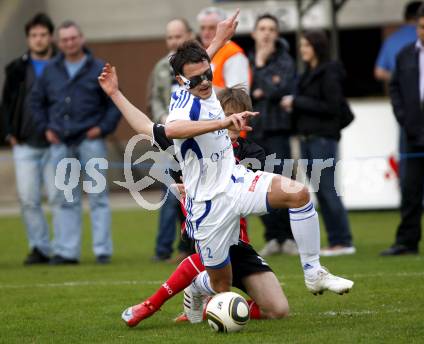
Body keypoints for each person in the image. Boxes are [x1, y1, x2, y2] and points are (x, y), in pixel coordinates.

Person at [99, 9, 353, 325]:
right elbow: (165, 130)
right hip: (208, 206)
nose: (206, 82)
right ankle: (196, 286)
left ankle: (314, 272)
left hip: (235, 179)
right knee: (219, 286)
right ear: (181, 81)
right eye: (198, 78)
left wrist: (220, 37)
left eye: (209, 73)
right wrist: (223, 121)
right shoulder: (182, 107)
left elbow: (201, 62)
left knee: (298, 193)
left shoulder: (195, 76)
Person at [118, 88, 289, 327]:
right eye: (228, 115)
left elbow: (257, 196)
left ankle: (206, 297)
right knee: (212, 251)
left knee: (278, 310)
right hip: (204, 229)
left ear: (246, 120)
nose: (233, 122)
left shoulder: (253, 153)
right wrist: (116, 92)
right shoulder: (191, 141)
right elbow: (146, 127)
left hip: (238, 240)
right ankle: (150, 305)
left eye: (239, 117)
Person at [30, 20, 121, 264]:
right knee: (65, 198)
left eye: (73, 38)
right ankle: (67, 252)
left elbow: (115, 103)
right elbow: (36, 103)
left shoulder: (99, 67)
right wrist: (45, 129)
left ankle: (102, 250)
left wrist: (102, 128)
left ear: (81, 39)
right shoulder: (50, 70)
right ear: (58, 43)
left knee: (98, 197)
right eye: (64, 39)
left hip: (90, 141)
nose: (69, 43)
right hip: (60, 142)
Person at [281, 30, 355, 257]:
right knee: (321, 191)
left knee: (328, 189)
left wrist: (297, 102)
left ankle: (342, 240)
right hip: (306, 139)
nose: (302, 49)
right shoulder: (308, 72)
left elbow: (331, 107)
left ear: (317, 46)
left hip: (322, 139)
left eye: (306, 45)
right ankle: (336, 240)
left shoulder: (329, 71)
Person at [381, 2, 424, 256]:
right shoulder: (405, 54)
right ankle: (407, 241)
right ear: (417, 27)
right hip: (412, 134)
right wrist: (403, 117)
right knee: (410, 190)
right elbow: (394, 89)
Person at [1, 13, 58, 265]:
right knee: (28, 198)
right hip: (24, 144)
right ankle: (39, 248)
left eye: (43, 34)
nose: (38, 39)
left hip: (56, 144)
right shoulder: (16, 68)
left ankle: (63, 249)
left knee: (59, 198)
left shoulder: (62, 64)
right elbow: (6, 103)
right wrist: (8, 133)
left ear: (50, 37)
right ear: (28, 39)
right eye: (34, 35)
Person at [248, 14, 297, 257]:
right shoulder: (245, 60)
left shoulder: (286, 61)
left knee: (283, 186)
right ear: (254, 33)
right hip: (254, 134)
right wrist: (261, 81)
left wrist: (260, 71)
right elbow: (244, 94)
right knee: (258, 188)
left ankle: (287, 237)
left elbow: (281, 88)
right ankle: (272, 237)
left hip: (278, 132)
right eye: (262, 28)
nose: (266, 33)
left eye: (271, 29)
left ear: (276, 34)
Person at [150, 18, 194, 262]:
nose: (174, 41)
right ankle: (163, 249)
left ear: (189, 35)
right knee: (170, 194)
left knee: (193, 194)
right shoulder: (160, 67)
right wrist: (162, 117)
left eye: (178, 36)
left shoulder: (198, 64)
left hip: (195, 139)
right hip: (170, 141)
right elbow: (155, 98)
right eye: (170, 37)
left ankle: (188, 247)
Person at [197, 6, 250, 92]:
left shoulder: (233, 53)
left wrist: (201, 88)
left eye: (211, 28)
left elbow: (238, 95)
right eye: (203, 28)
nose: (206, 32)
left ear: (223, 28)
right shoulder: (201, 52)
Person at [374, 1, 424, 82]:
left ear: (405, 16)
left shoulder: (391, 40)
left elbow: (379, 72)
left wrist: (400, 78)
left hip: (401, 90)